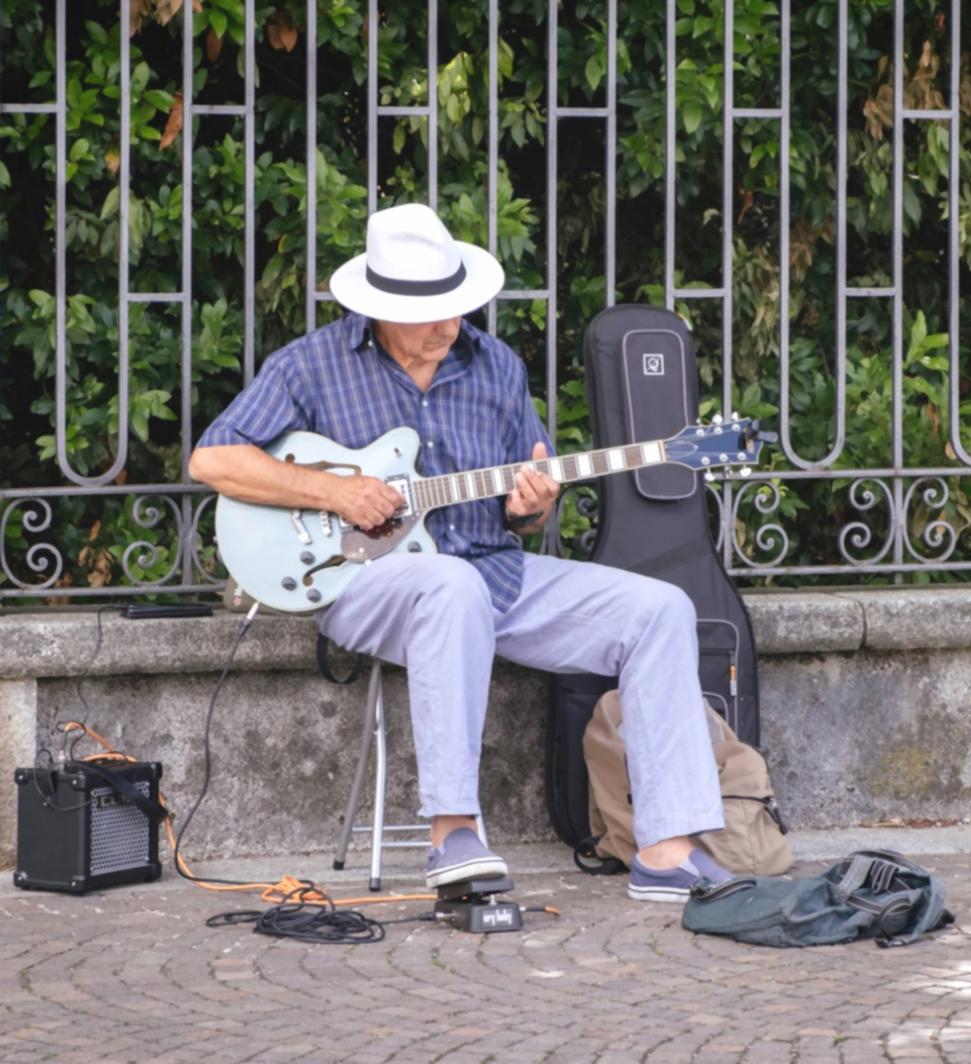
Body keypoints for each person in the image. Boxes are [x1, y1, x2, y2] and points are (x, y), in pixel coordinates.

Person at [189, 203, 730, 901]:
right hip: (363, 584)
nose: (451, 325)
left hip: (492, 571)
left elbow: (527, 506)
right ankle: (454, 833)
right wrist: (333, 492)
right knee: (449, 585)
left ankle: (666, 849)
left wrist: (534, 506)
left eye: (458, 305)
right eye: (431, 313)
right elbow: (214, 460)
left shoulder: (495, 365)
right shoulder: (312, 366)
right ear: (380, 308)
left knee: (660, 608)